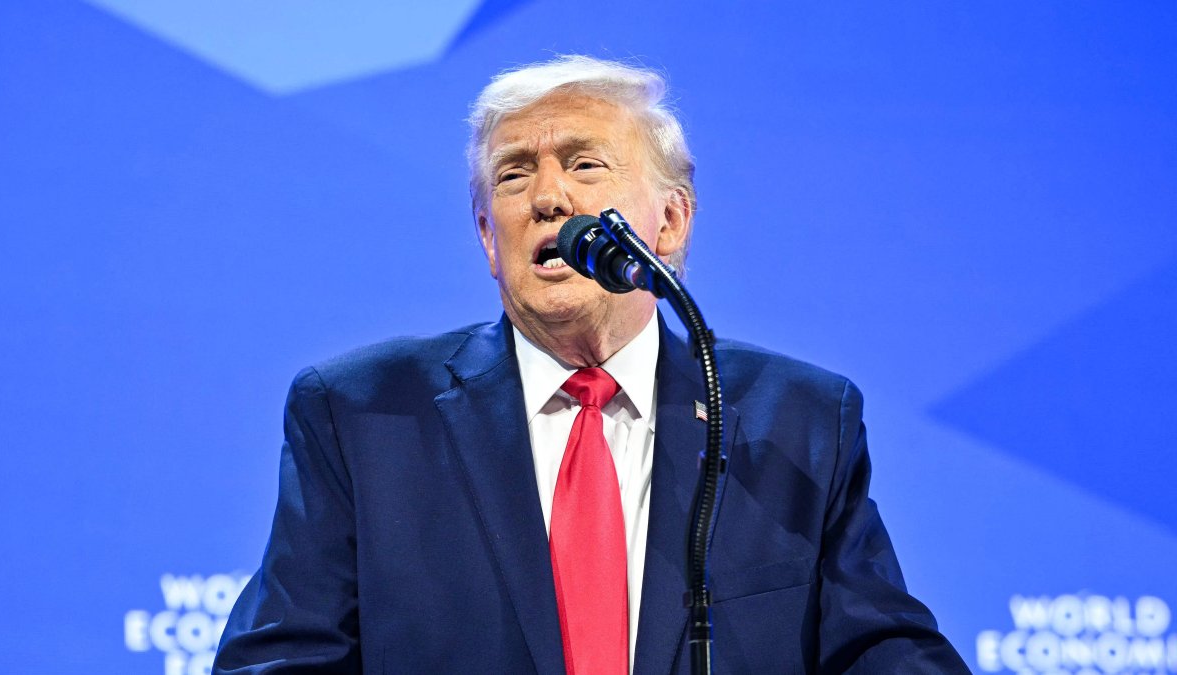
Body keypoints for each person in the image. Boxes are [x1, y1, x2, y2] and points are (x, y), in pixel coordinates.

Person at [212, 55, 969, 674]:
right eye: (513, 175)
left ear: (669, 222)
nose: (548, 196)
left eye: (584, 163)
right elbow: (282, 659)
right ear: (486, 236)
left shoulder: (797, 421)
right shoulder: (363, 415)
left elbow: (883, 652)